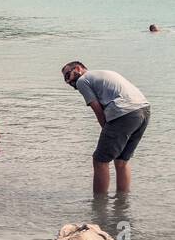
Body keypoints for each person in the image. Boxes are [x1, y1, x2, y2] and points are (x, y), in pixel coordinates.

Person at [62, 62, 150, 195]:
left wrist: (106, 129)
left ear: (79, 69)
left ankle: (98, 206)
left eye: (68, 74)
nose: (68, 81)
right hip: (143, 111)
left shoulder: (82, 80)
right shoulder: (103, 73)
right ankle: (122, 203)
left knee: (100, 160)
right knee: (121, 161)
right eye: (65, 79)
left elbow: (97, 108)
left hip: (124, 113)